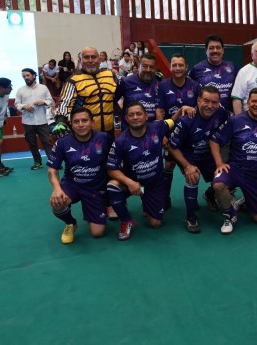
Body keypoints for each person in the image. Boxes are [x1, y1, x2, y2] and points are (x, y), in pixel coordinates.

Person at [210, 88, 257, 234]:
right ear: (248, 103)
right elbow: (214, 140)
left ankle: (246, 201)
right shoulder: (235, 120)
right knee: (218, 185)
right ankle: (229, 214)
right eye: (254, 101)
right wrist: (219, 163)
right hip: (235, 169)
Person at [106, 102, 175, 240]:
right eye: (131, 115)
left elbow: (172, 121)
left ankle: (147, 203)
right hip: (132, 183)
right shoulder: (120, 141)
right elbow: (111, 169)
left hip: (154, 184)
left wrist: (183, 109)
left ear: (146, 116)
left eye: (139, 114)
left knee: (156, 223)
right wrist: (129, 182)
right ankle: (126, 221)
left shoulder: (157, 127)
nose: (135, 117)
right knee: (112, 186)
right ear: (126, 119)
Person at [167, 85, 231, 233]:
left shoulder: (221, 112)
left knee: (225, 175)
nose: (210, 106)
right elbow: (172, 146)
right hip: (189, 154)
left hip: (208, 153)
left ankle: (209, 195)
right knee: (193, 176)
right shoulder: (186, 120)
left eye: (214, 102)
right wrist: (187, 166)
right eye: (206, 101)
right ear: (198, 100)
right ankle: (190, 217)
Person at [46, 107, 111, 245]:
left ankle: (102, 206)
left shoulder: (104, 138)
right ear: (71, 124)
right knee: (57, 202)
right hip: (72, 184)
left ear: (92, 123)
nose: (80, 125)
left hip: (95, 188)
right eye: (76, 122)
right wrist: (57, 189)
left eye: (84, 120)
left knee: (97, 233)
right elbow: (52, 169)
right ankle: (70, 223)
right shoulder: (62, 142)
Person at [160, 53, 201, 210]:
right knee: (169, 163)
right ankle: (165, 198)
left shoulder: (195, 86)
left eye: (180, 65)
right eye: (174, 65)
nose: (177, 68)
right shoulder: (163, 85)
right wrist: (162, 133)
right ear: (170, 67)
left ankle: (192, 200)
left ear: (186, 67)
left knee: (191, 166)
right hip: (170, 132)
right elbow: (159, 111)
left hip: (190, 135)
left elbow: (201, 109)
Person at [55, 46, 118, 139]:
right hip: (85, 134)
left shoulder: (111, 76)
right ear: (80, 60)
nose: (90, 60)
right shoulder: (73, 80)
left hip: (109, 133)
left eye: (94, 57)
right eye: (86, 57)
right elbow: (64, 104)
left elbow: (118, 98)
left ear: (99, 59)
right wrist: (60, 122)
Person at [15, 68, 55, 170]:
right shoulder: (20, 90)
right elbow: (17, 104)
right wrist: (24, 106)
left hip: (42, 120)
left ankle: (53, 162)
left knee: (47, 143)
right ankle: (37, 162)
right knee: (32, 144)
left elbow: (50, 101)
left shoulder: (43, 88)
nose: (26, 78)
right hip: (27, 122)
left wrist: (43, 102)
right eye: (24, 76)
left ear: (34, 75)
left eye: (28, 75)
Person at [189, 34, 237, 112]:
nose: (215, 51)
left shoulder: (233, 68)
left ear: (223, 50)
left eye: (218, 48)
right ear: (206, 50)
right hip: (206, 115)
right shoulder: (196, 69)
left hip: (229, 116)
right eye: (211, 48)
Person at [115, 52, 164, 124]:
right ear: (139, 67)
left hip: (152, 128)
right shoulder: (126, 82)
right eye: (145, 66)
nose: (148, 70)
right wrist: (122, 114)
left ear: (155, 69)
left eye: (151, 67)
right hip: (130, 128)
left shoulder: (159, 83)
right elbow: (113, 101)